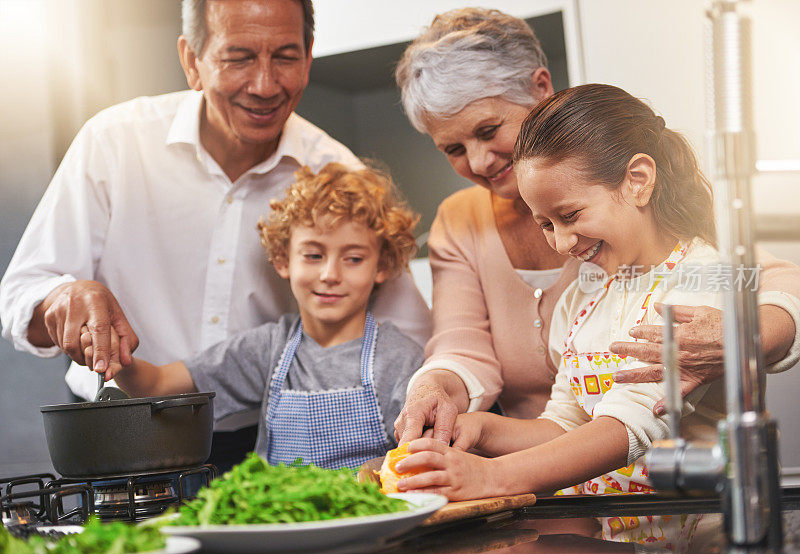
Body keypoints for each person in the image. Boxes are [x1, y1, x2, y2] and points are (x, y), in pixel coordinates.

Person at [0, 0, 430, 466]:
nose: (265, 85)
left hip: (259, 446)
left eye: (285, 57)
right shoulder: (114, 142)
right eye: (238, 57)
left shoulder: (337, 175)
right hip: (121, 428)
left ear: (308, 58)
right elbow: (23, 292)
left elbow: (407, 337)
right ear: (192, 61)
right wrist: (63, 298)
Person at [392, 8, 800, 445]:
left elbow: (772, 280)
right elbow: (462, 346)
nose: (477, 161)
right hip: (548, 479)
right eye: (453, 148)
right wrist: (432, 389)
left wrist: (739, 335)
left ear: (540, 86)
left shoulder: (664, 197)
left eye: (489, 129)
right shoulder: (458, 220)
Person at [396, 84, 728, 547]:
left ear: (637, 180)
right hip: (604, 537)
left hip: (694, 536)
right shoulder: (584, 296)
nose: (561, 243)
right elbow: (564, 424)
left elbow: (628, 428)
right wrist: (482, 429)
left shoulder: (701, 280)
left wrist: (491, 477)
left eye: (570, 214)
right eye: (546, 224)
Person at [80, 162, 425, 469]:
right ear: (282, 260)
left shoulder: (399, 358)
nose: (330, 274)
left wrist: (375, 473)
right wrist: (115, 352)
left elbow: (418, 456)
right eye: (313, 255)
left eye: (353, 259)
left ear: (381, 266)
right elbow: (156, 384)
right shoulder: (270, 348)